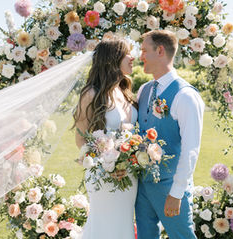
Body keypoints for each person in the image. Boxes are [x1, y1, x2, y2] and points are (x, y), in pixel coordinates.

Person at [135, 30, 205, 239]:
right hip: (143, 186)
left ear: (160, 51)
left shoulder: (186, 96)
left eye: (144, 50)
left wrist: (177, 192)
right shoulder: (144, 90)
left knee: (182, 236)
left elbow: (191, 149)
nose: (141, 56)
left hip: (171, 186)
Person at [73, 39, 137, 239]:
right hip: (104, 176)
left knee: (123, 226)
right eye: (127, 54)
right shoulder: (92, 94)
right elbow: (80, 138)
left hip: (129, 175)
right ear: (113, 59)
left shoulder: (125, 92)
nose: (132, 57)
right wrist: (106, 164)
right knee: (104, 227)